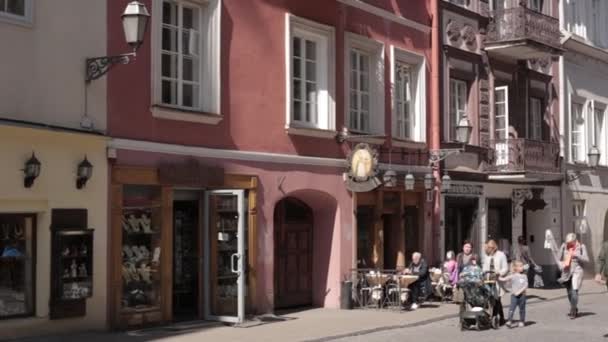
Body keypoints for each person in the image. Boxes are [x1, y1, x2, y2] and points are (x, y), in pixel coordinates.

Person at [558, 233, 589, 319]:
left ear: (575, 241)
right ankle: (574, 307)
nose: (569, 244)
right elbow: (558, 258)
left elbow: (586, 259)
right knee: (569, 292)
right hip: (566, 272)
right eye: (568, 242)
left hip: (577, 272)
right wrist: (560, 265)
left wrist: (576, 255)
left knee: (574, 291)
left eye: (571, 242)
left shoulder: (582, 246)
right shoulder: (564, 246)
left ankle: (573, 310)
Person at [482, 239, 509, 325]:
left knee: (497, 298)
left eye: (490, 248)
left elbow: (505, 268)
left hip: (498, 280)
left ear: (493, 247)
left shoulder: (501, 255)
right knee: (496, 299)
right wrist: (483, 274)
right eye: (487, 248)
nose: (488, 250)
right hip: (489, 279)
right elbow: (484, 267)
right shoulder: (487, 256)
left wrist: (499, 273)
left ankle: (494, 316)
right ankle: (502, 318)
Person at [500, 261, 528, 328]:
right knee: (511, 308)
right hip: (514, 296)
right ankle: (509, 321)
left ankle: (522, 321)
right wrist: (498, 277)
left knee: (522, 309)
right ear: (516, 268)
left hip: (522, 295)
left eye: (522, 266)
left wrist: (519, 291)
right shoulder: (513, 276)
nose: (522, 267)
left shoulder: (524, 276)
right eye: (520, 266)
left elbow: (526, 285)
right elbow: (504, 279)